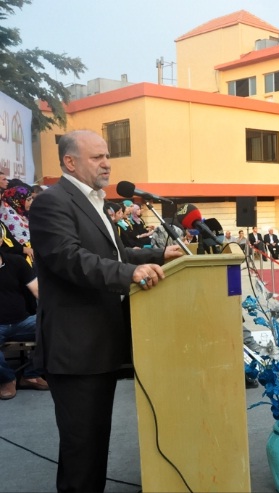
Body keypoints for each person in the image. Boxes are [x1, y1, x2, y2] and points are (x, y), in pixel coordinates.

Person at [28, 130, 184, 491]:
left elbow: (114, 254)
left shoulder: (94, 200)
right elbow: (70, 259)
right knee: (82, 450)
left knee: (94, 442)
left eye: (107, 156)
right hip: (75, 348)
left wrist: (159, 254)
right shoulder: (53, 202)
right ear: (70, 162)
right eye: (97, 157)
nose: (107, 163)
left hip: (99, 344)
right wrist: (130, 274)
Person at [0, 250, 48, 400]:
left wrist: (53, 314)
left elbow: (38, 291)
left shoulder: (16, 262)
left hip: (23, 321)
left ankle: (31, 375)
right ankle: (7, 379)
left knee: (55, 326)